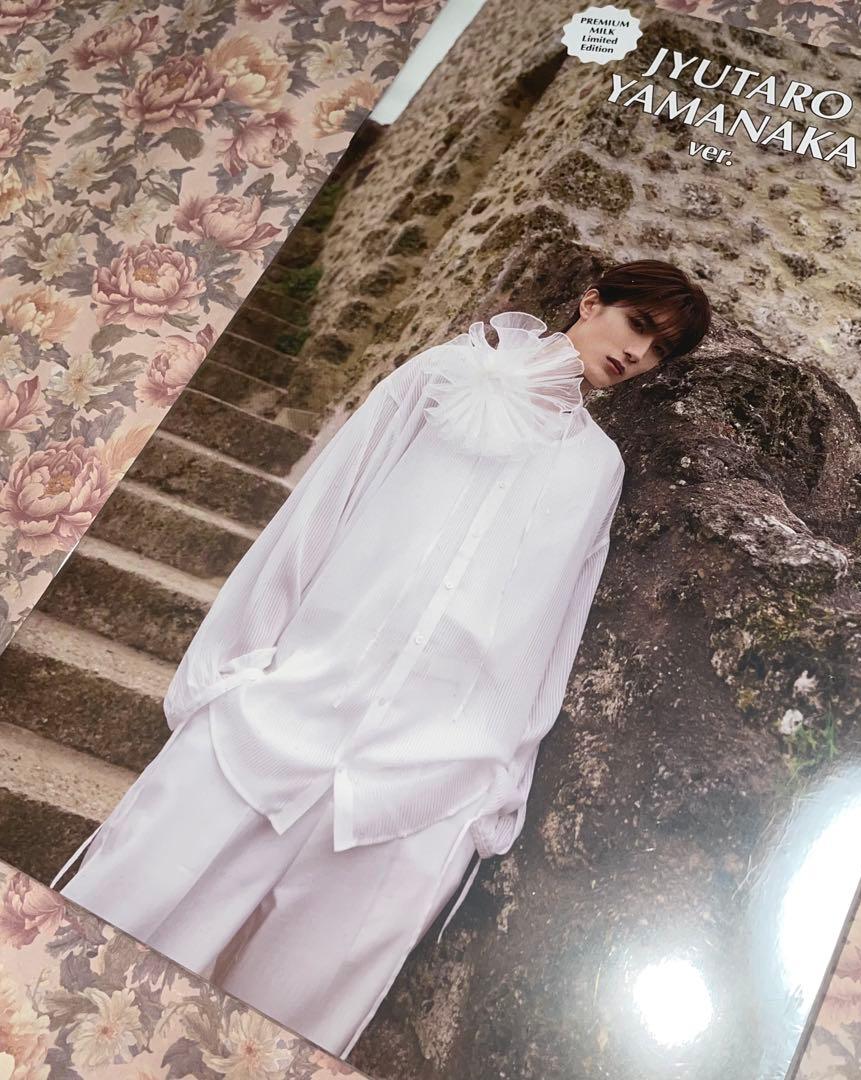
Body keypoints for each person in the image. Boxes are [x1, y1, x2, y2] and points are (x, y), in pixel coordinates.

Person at [52, 259, 712, 1057]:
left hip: (427, 774)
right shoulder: (444, 374)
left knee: (279, 1028)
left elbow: (554, 625)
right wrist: (234, 669)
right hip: (287, 710)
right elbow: (321, 508)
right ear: (591, 301)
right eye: (638, 325)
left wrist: (498, 778)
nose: (639, 355)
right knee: (110, 936)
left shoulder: (596, 468)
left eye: (660, 351)